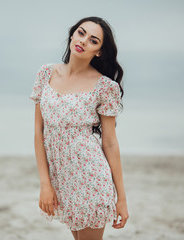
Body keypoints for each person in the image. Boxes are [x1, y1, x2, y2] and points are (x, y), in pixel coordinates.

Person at [29, 16, 129, 240]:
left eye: (93, 41)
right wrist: (45, 183)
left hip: (91, 178)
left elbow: (110, 143)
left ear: (99, 52)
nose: (83, 41)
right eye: (81, 33)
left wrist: (121, 198)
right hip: (62, 179)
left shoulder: (105, 87)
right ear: (72, 34)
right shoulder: (46, 74)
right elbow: (38, 131)